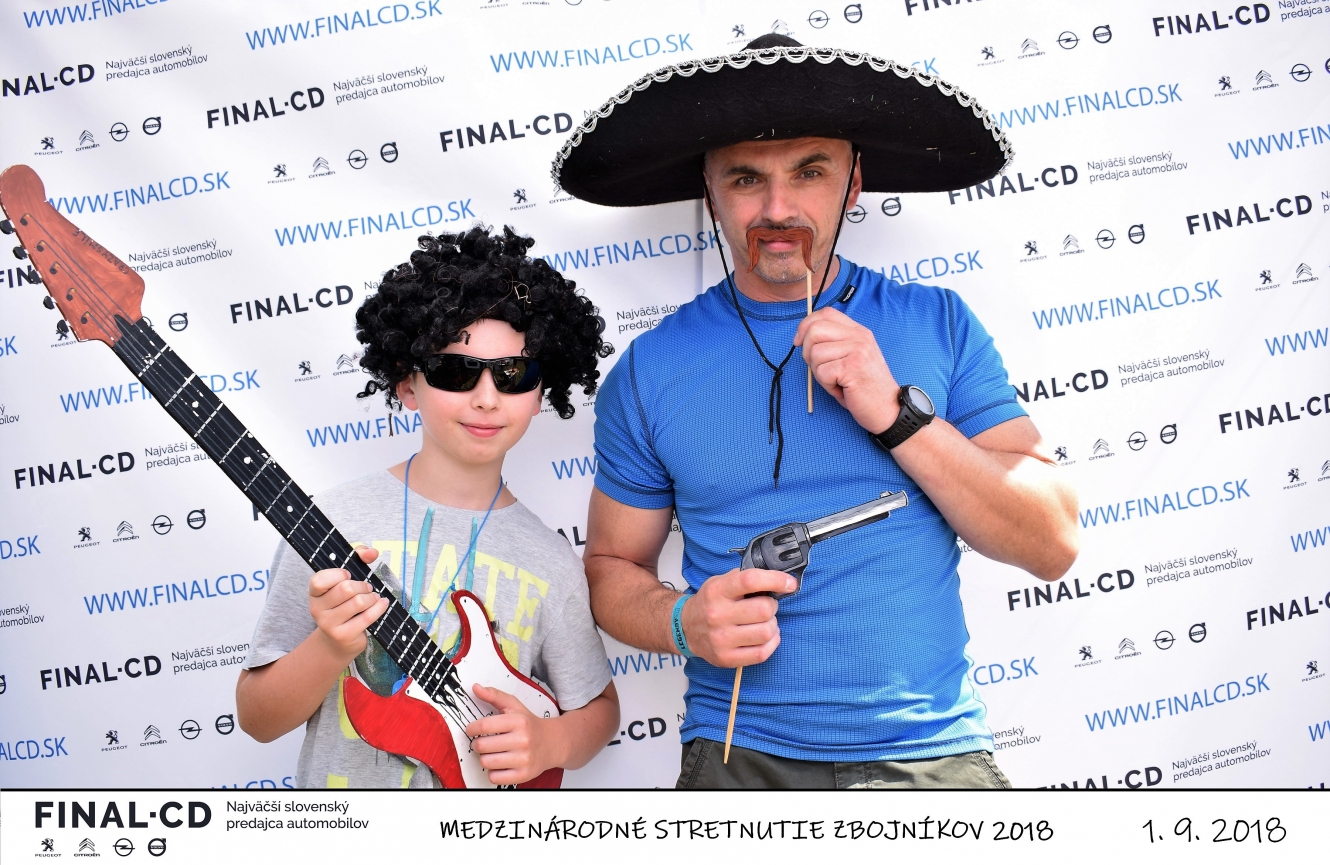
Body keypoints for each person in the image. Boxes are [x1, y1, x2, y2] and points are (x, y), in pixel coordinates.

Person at [555, 34, 1080, 788]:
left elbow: (1052, 542)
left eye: (810, 172)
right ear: (709, 189)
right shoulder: (650, 369)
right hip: (735, 757)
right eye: (745, 178)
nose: (778, 209)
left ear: (853, 181)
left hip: (930, 753)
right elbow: (612, 567)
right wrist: (681, 621)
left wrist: (896, 412)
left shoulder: (937, 324)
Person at [235, 226, 619, 788]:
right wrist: (330, 646)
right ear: (407, 385)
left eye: (513, 375)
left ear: (541, 391)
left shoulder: (551, 559)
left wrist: (551, 742)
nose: (486, 398)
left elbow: (599, 708)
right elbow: (257, 719)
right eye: (455, 372)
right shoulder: (328, 525)